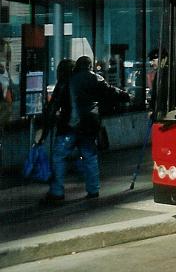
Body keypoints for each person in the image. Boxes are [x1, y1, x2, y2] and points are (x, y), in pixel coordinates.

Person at [40, 57, 129, 203]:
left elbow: (53, 107)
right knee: (90, 157)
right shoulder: (93, 78)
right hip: (89, 126)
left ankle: (57, 191)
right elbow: (111, 91)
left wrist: (45, 131)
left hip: (69, 126)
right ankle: (93, 189)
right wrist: (127, 96)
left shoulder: (65, 83)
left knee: (59, 157)